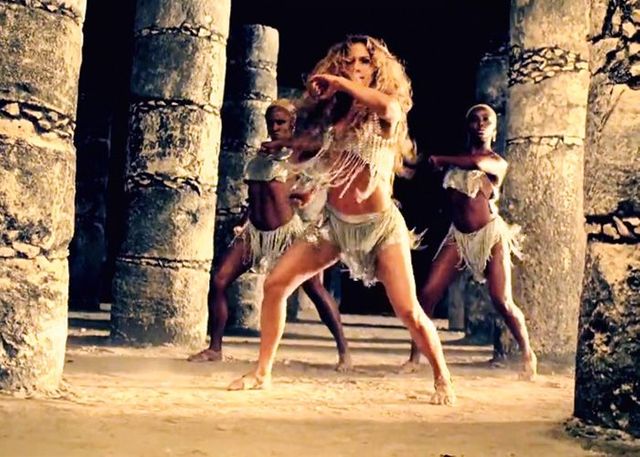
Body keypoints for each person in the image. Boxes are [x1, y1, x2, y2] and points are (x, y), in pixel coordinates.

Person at [228, 35, 455, 406]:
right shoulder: (338, 114)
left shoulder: (386, 110)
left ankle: (442, 377)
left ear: (377, 67)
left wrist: (338, 83)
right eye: (347, 61)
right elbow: (324, 156)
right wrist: (292, 156)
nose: (354, 67)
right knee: (276, 283)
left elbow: (388, 107)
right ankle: (262, 373)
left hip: (379, 228)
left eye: (363, 61)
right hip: (333, 226)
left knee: (408, 311)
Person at [187, 99, 351, 371]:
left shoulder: (297, 154)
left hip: (288, 235)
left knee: (314, 288)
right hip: (255, 233)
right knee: (219, 280)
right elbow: (256, 196)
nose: (274, 127)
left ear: (293, 124)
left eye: (281, 122)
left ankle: (344, 351)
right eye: (271, 122)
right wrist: (243, 221)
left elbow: (325, 147)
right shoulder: (260, 156)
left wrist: (290, 153)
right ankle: (215, 348)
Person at [403, 104, 537, 380]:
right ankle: (415, 356)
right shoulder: (455, 163)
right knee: (427, 293)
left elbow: (476, 163)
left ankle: (527, 353)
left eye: (486, 119)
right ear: (467, 126)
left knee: (502, 300)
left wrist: (441, 159)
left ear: (495, 129)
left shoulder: (496, 162)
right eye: (474, 119)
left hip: (490, 236)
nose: (480, 124)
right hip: (459, 237)